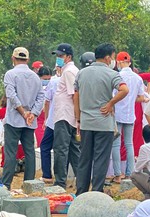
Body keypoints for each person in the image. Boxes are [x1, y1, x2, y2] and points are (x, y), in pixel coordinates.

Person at [74, 43, 129, 194]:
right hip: (104, 123)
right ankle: (97, 191)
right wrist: (111, 103)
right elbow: (124, 89)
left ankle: (81, 192)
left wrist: (78, 119)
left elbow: (76, 95)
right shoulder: (112, 74)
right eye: (112, 57)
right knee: (101, 159)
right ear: (107, 58)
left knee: (84, 159)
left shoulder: (81, 73)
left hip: (86, 122)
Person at [1, 47, 45, 189]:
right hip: (29, 121)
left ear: (13, 58)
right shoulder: (35, 76)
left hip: (14, 119)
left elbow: (11, 95)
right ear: (27, 59)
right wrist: (33, 113)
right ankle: (29, 184)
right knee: (29, 152)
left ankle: (6, 185)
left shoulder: (10, 74)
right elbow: (41, 96)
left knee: (10, 153)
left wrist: (22, 112)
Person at [109, 51, 144, 183]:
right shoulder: (138, 78)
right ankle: (130, 174)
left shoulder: (117, 76)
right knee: (129, 144)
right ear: (129, 62)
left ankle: (117, 174)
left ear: (118, 62)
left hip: (117, 114)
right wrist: (131, 99)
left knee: (116, 144)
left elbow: (112, 96)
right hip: (130, 115)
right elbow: (141, 97)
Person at [51, 43, 80, 189]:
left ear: (68, 57)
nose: (58, 59)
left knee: (61, 149)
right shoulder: (68, 70)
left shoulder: (69, 72)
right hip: (68, 115)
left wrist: (77, 115)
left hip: (65, 115)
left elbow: (74, 94)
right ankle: (81, 180)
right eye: (57, 56)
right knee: (74, 150)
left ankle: (60, 182)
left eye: (61, 56)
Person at [38, 67, 60, 184]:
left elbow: (47, 101)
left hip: (52, 120)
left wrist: (46, 119)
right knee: (62, 149)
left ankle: (47, 175)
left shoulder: (54, 82)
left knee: (45, 147)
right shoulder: (74, 77)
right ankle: (62, 175)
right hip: (68, 120)